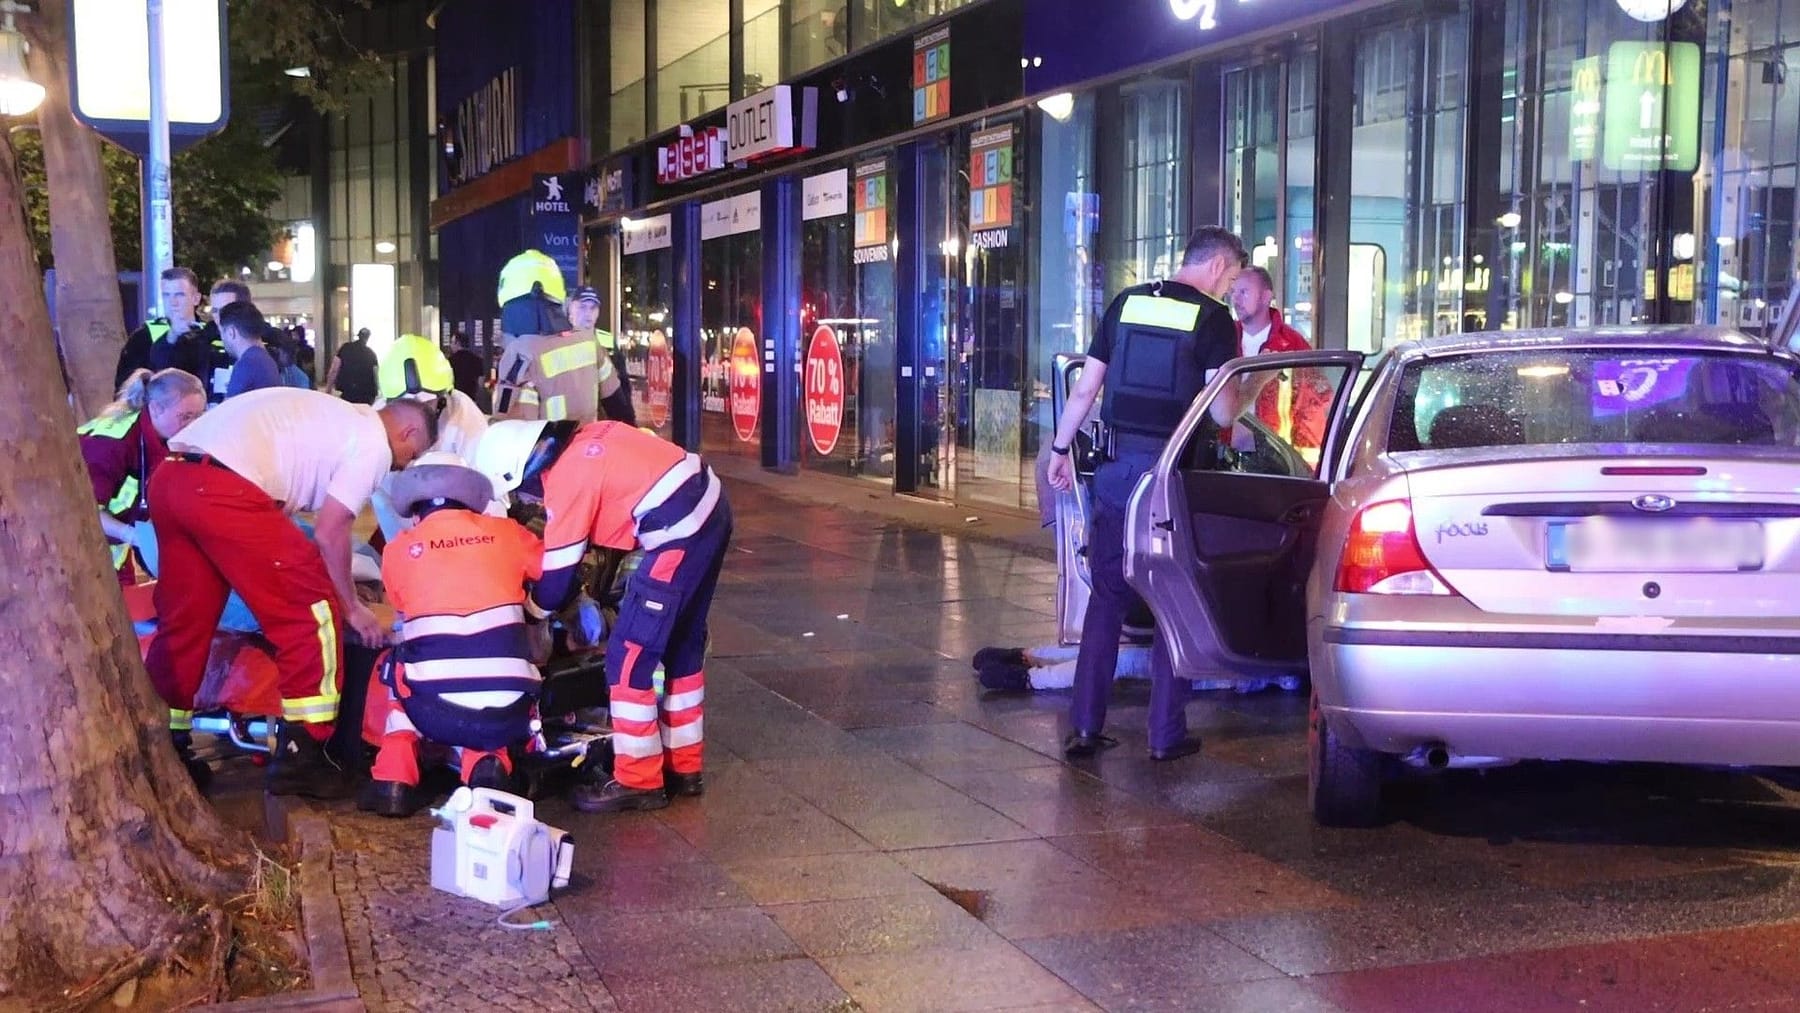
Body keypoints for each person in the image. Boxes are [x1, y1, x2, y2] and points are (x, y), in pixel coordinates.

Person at [144, 388, 437, 798]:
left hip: (173, 478)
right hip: (222, 489)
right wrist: (352, 607)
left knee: (185, 620)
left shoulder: (337, 416)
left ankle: (163, 744)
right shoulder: (372, 443)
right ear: (407, 432)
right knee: (313, 609)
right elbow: (331, 530)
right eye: (412, 455)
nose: (404, 465)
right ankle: (303, 754)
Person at [1044, 225, 1254, 762]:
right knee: (1170, 604)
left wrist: (1062, 450)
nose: (1230, 286)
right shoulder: (1212, 320)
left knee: (1107, 599)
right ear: (1216, 265)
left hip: (1115, 475)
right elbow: (1224, 411)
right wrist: (1255, 382)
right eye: (1231, 275)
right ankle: (1165, 735)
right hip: (1169, 480)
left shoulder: (1126, 303)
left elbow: (1086, 388)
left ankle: (1085, 728)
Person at [475, 418, 732, 813]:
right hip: (709, 509)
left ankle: (639, 779)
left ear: (522, 469)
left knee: (628, 657)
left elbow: (558, 577)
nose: (529, 498)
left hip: (676, 530)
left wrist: (529, 612)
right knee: (682, 646)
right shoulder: (591, 436)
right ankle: (684, 767)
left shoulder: (567, 474)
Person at [359, 453, 544, 817]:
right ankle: (486, 765)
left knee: (394, 671)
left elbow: (401, 609)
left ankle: (393, 781)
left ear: (415, 509)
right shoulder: (508, 533)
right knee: (488, 696)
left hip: (433, 708)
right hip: (510, 708)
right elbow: (551, 574)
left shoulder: (399, 550)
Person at [78, 368, 206, 582]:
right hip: (79, 549)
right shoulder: (111, 445)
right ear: (155, 408)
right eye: (185, 417)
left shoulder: (166, 435)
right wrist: (134, 536)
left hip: (115, 550)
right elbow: (85, 512)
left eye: (198, 416)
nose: (192, 425)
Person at [370, 334, 491, 541]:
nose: (417, 419)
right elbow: (383, 492)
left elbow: (487, 483)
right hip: (403, 514)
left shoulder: (464, 414)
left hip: (460, 519)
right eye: (406, 408)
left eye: (427, 405)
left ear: (444, 396)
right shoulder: (375, 423)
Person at [490, 252, 628, 424]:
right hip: (587, 447)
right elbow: (621, 409)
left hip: (548, 450)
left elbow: (507, 428)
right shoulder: (589, 343)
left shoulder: (519, 355)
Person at [1229, 266, 1329, 464]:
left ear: (1266, 297)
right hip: (1224, 459)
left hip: (1275, 460)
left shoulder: (1293, 346)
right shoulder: (1223, 338)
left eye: (1244, 292)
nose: (1236, 299)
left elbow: (1312, 408)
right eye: (1233, 292)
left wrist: (1301, 466)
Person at [115, 268, 233, 403]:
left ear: (196, 299)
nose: (173, 303)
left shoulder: (212, 333)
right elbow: (124, 389)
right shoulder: (144, 336)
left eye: (179, 295)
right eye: (166, 295)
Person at [568, 285, 635, 425]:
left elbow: (622, 384)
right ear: (571, 309)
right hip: (572, 423)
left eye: (593, 308)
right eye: (582, 307)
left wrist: (629, 423)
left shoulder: (606, 340)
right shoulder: (560, 341)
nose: (588, 314)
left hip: (602, 424)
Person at [219, 301, 283, 399]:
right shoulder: (265, 359)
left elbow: (229, 410)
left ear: (231, 332)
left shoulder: (246, 363)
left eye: (223, 332)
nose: (222, 338)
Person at [327, 328, 381, 404]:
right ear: (368, 338)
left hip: (348, 391)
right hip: (366, 394)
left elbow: (334, 370)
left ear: (358, 336)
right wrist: (379, 392)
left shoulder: (345, 348)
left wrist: (328, 389)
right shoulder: (371, 353)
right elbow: (376, 375)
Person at [447, 331, 485, 407]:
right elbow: (481, 382)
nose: (450, 345)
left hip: (455, 399)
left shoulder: (450, 361)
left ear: (457, 343)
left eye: (452, 342)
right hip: (471, 399)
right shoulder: (477, 360)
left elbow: (447, 381)